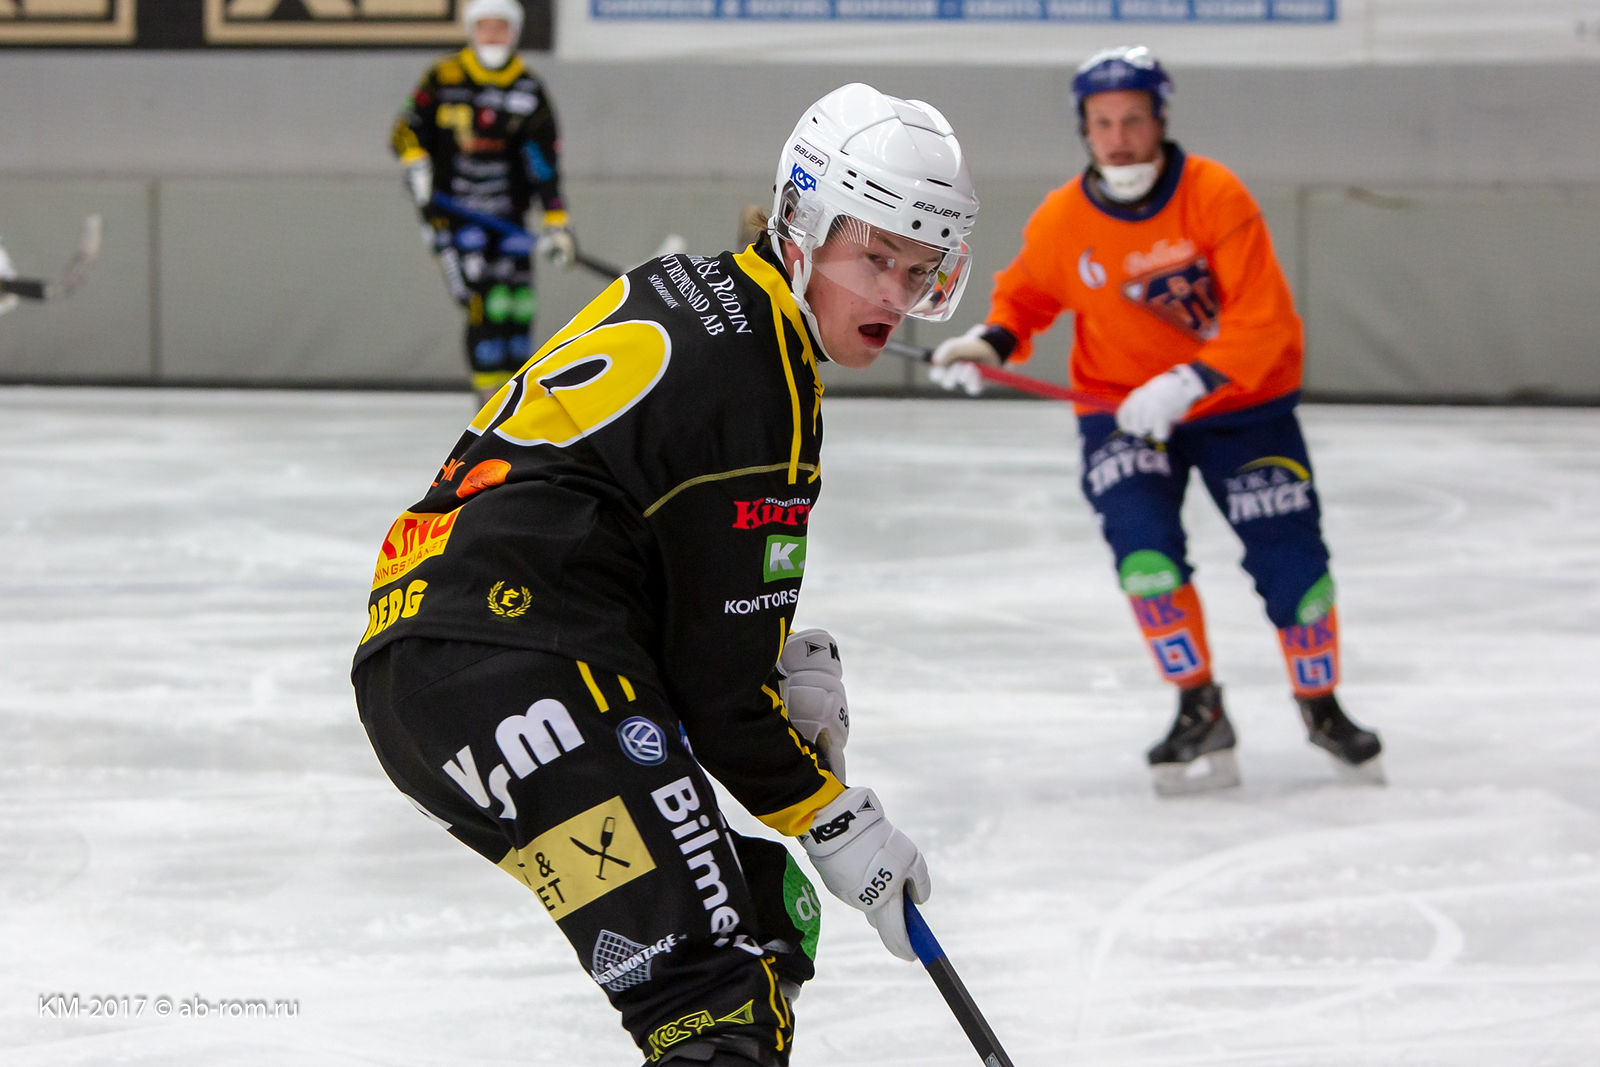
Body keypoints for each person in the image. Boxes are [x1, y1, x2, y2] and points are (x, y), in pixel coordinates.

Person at [353, 83, 979, 1066]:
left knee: (762, 911)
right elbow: (719, 692)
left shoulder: (697, 290)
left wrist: (772, 689)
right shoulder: (762, 379)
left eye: (920, 267)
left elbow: (682, 609)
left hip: (431, 678)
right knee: (717, 993)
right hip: (526, 668)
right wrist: (834, 816)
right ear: (802, 225)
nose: (896, 296)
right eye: (875, 257)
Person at [929, 45, 1382, 795]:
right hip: (1120, 411)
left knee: (1295, 568)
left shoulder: (1214, 194)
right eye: (1102, 123)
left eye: (1133, 119)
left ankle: (1322, 704)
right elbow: (1028, 294)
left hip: (1242, 406)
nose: (1118, 139)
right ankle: (1198, 706)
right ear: (1084, 128)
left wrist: (1188, 381)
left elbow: (1264, 320)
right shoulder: (1064, 217)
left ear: (1160, 119)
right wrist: (990, 341)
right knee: (1146, 560)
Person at [390, 0, 577, 405]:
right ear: (472, 31)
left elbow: (544, 162)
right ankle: (489, 400)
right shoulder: (443, 76)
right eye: (485, 26)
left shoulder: (528, 86)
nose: (493, 35)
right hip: (454, 218)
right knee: (484, 303)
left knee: (519, 305)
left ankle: (516, 398)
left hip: (509, 219)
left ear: (515, 32)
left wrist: (557, 221)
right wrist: (415, 161)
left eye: (501, 27)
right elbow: (405, 129)